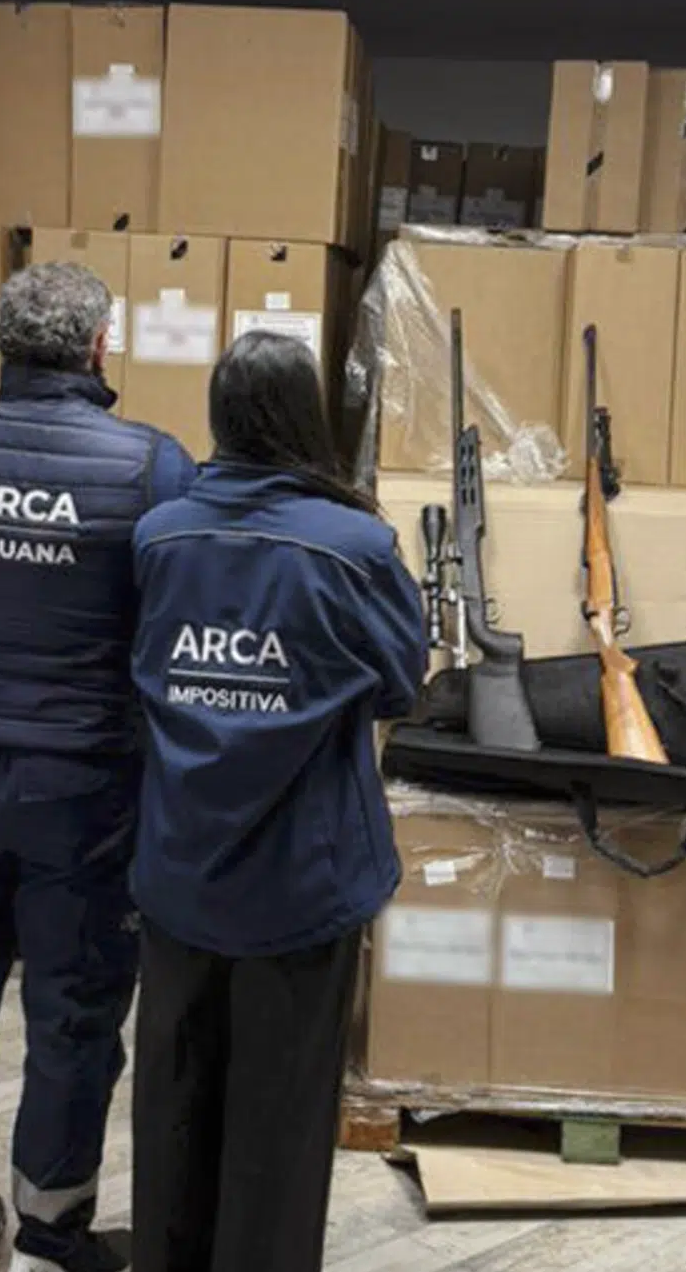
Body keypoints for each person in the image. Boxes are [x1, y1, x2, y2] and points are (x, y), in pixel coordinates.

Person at [0, 261, 197, 1272]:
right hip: (83, 789)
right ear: (100, 345)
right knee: (72, 1008)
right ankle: (49, 1234)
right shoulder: (151, 467)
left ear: (2, 343)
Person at [125, 331, 427, 1272]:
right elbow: (402, 682)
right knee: (282, 1121)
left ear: (220, 415)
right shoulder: (355, 547)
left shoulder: (159, 535)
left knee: (173, 1102)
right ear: (307, 418)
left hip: (179, 870)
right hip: (304, 877)